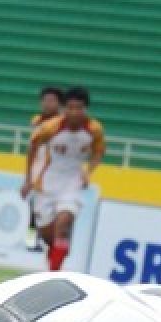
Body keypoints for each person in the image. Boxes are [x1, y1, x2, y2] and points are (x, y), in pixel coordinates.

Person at [22, 86, 105, 271]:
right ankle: (57, 253)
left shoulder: (94, 129)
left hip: (72, 184)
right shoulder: (51, 128)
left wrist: (88, 171)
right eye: (71, 107)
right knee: (48, 237)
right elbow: (32, 147)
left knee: (64, 224)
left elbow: (99, 151)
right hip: (47, 185)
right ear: (65, 108)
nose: (75, 112)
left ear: (86, 109)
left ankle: (53, 275)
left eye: (79, 108)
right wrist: (28, 180)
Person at [26, 86, 65, 251]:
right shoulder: (37, 122)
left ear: (59, 104)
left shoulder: (63, 125)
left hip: (55, 176)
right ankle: (32, 241)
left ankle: (54, 245)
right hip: (38, 176)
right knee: (35, 210)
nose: (47, 104)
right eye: (45, 100)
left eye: (52, 101)